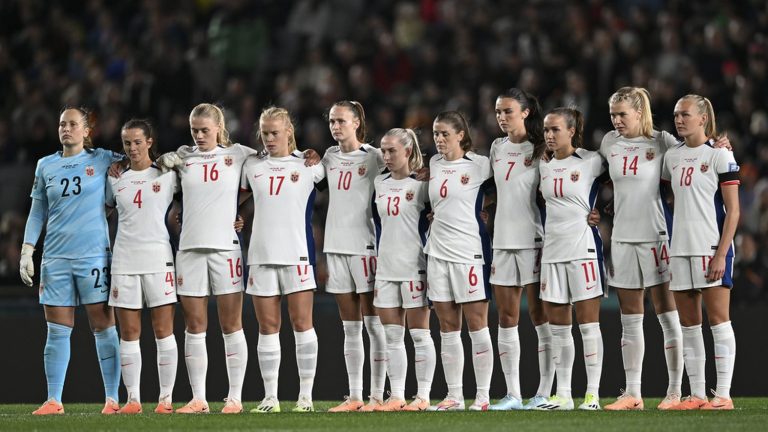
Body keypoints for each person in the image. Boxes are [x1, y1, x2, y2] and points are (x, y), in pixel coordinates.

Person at [20, 106, 124, 415]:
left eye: (73, 124)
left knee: (104, 325)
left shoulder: (103, 159)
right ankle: (54, 400)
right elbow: (38, 211)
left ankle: (112, 399)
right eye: (62, 123)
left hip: (93, 255)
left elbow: (138, 163)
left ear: (87, 130)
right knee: (57, 330)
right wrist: (28, 249)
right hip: (55, 258)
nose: (66, 128)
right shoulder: (45, 166)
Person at [156, 103, 256, 414]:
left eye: (204, 130)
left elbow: (269, 165)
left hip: (226, 248)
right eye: (194, 131)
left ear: (218, 128)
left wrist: (236, 209)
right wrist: (161, 160)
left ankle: (235, 398)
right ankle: (198, 399)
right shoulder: (183, 156)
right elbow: (149, 173)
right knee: (194, 325)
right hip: (189, 249)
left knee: (231, 324)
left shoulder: (239, 154)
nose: (199, 136)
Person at [597, 87, 684, 410]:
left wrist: (719, 146)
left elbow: (692, 156)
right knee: (629, 319)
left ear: (639, 113)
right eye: (613, 115)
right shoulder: (609, 143)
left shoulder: (662, 142)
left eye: (622, 114)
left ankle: (675, 392)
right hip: (621, 238)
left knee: (667, 316)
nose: (616, 121)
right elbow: (597, 178)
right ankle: (633, 393)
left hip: (656, 237)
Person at [241, 107, 325, 414]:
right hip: (261, 255)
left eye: (275, 132)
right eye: (264, 132)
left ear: (289, 131)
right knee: (268, 328)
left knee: (302, 324)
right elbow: (230, 198)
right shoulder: (251, 165)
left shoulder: (311, 165)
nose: (269, 138)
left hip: (297, 254)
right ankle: (270, 398)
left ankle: (305, 397)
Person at [661, 95, 739, 410]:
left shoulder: (720, 156)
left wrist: (722, 254)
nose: (679, 120)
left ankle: (722, 395)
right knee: (689, 326)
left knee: (719, 321)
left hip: (710, 248)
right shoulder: (672, 157)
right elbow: (665, 199)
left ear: (703, 118)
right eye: (677, 115)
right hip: (680, 249)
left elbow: (733, 211)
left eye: (685, 114)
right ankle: (696, 395)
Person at [486, 89, 555, 411]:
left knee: (541, 317)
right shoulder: (497, 147)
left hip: (533, 240)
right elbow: (487, 186)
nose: (502, 117)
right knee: (507, 318)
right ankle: (513, 394)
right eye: (499, 112)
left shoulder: (542, 149)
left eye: (508, 111)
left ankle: (543, 392)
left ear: (526, 113)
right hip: (501, 241)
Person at [105, 119, 179, 414]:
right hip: (124, 259)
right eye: (127, 143)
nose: (132, 148)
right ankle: (132, 399)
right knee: (129, 333)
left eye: (137, 142)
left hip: (159, 258)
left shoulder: (168, 173)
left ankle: (166, 399)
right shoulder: (115, 178)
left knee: (163, 330)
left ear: (150, 142)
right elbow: (105, 209)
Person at [536, 107, 608, 411]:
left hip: (583, 250)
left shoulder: (592, 161)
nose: (550, 135)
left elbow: (632, 179)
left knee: (588, 325)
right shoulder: (542, 166)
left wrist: (604, 210)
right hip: (552, 252)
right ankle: (563, 395)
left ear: (571, 131)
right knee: (559, 329)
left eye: (555, 130)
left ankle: (592, 394)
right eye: (546, 130)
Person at [424, 111, 494, 411]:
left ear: (461, 135)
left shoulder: (480, 165)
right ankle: (454, 395)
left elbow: (503, 191)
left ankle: (482, 395)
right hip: (437, 252)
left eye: (444, 134)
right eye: (436, 133)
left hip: (469, 253)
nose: (439, 139)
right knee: (448, 327)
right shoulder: (434, 163)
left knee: (477, 325)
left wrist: (484, 210)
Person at [323, 101, 389, 412]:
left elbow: (403, 176)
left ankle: (378, 395)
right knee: (350, 327)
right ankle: (355, 396)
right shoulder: (329, 156)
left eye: (341, 121)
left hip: (365, 246)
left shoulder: (375, 156)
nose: (336, 126)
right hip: (335, 246)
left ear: (357, 122)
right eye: (332, 121)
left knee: (374, 324)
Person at [370, 128, 436, 411]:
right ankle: (396, 395)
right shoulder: (379, 182)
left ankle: (422, 396)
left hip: (414, 266)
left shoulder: (423, 184)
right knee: (392, 336)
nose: (386, 156)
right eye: (383, 151)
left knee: (420, 335)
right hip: (386, 267)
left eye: (392, 150)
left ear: (408, 152)